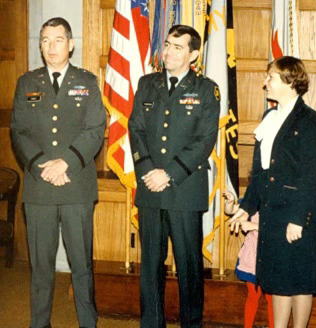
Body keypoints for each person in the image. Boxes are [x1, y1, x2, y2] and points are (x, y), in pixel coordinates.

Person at [10, 17, 106, 328]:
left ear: (71, 44)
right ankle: (39, 324)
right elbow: (19, 132)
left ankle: (87, 323)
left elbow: (95, 129)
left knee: (81, 266)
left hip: (76, 185)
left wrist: (65, 162)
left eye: (58, 40)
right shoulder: (27, 82)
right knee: (40, 267)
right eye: (45, 40)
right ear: (40, 45)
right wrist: (43, 165)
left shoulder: (87, 81)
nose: (51, 47)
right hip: (40, 189)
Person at [128, 25, 220, 328]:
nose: (167, 52)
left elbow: (205, 139)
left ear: (193, 54)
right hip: (150, 189)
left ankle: (190, 324)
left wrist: (169, 173)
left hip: (184, 189)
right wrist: (147, 171)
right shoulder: (146, 84)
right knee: (150, 266)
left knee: (188, 267)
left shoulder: (206, 89)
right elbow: (136, 130)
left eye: (177, 47)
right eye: (166, 45)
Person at [230, 56, 316, 328]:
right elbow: (260, 172)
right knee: (280, 281)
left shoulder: (310, 120)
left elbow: (309, 174)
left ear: (289, 81)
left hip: (298, 213)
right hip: (272, 212)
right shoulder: (269, 117)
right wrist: (246, 206)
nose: (265, 83)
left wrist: (298, 218)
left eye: (270, 77)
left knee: (299, 282)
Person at [224, 191, 274, 328]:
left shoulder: (278, 201)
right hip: (253, 255)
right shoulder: (253, 200)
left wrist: (254, 226)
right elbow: (232, 211)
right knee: (253, 294)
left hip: (271, 255)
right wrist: (229, 203)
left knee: (272, 298)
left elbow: (277, 229)